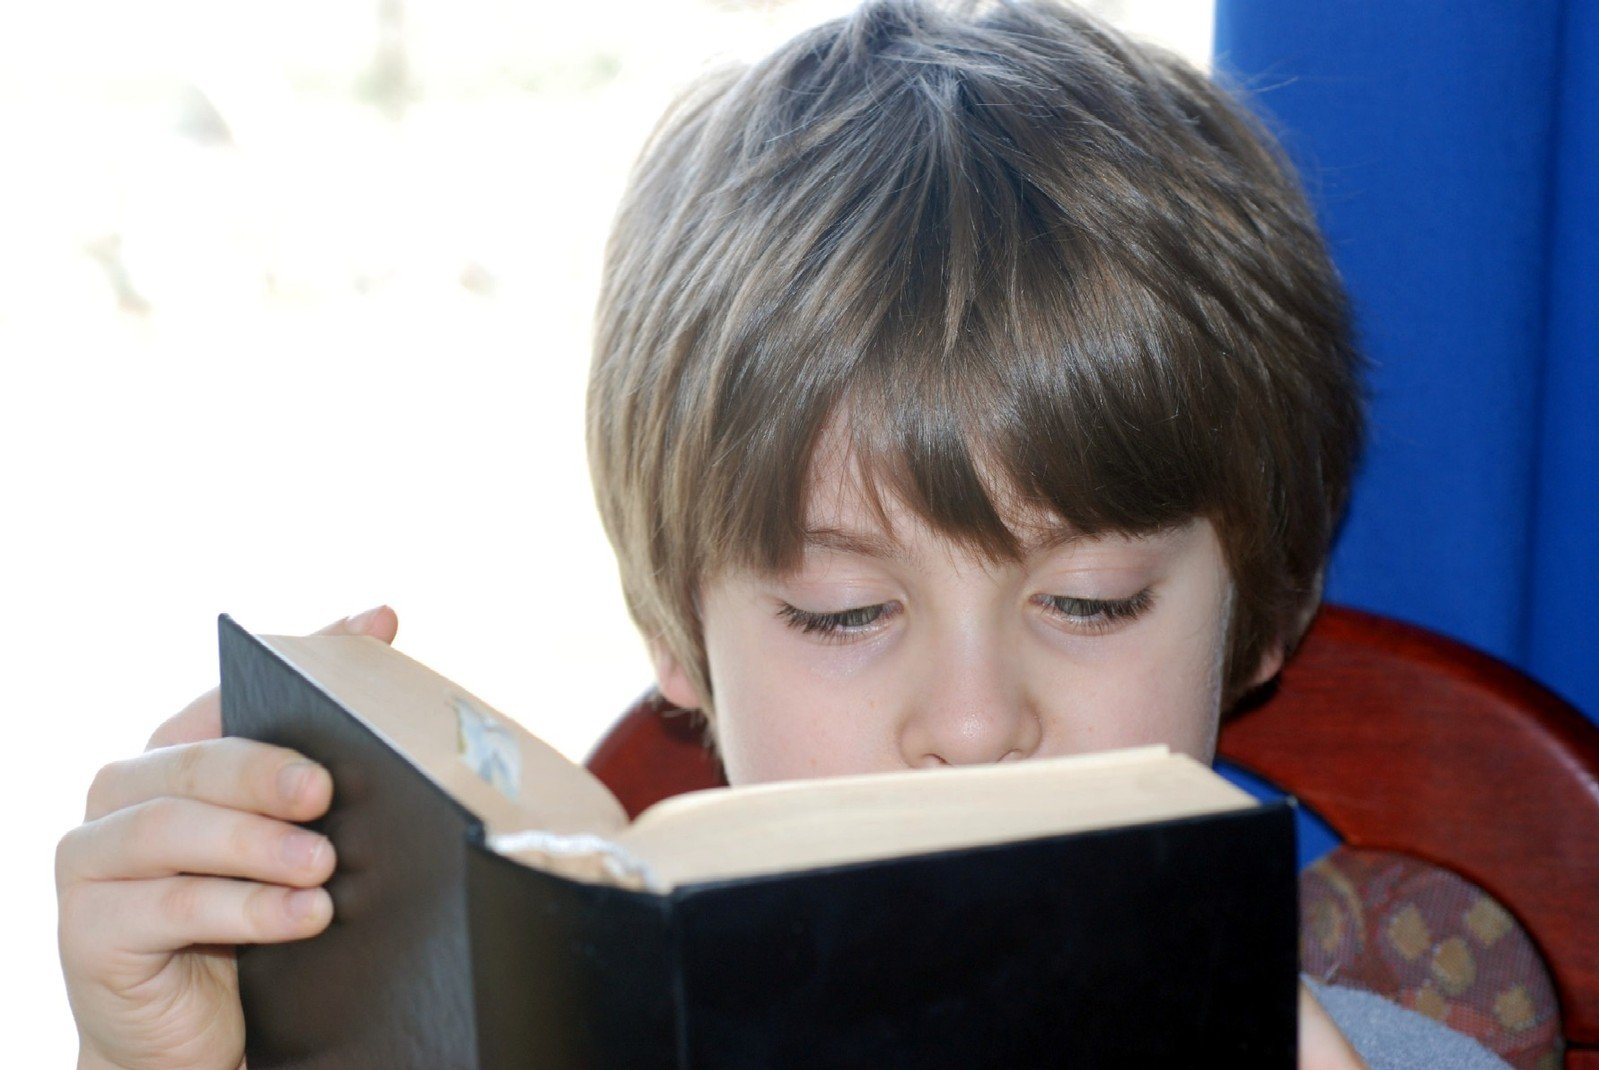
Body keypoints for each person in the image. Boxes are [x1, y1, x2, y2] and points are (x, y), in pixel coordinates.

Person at [55, 2, 1509, 1067]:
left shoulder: (1371, 1051)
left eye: (1091, 599)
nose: (971, 723)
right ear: (682, 636)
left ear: (1261, 612)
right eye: (837, 614)